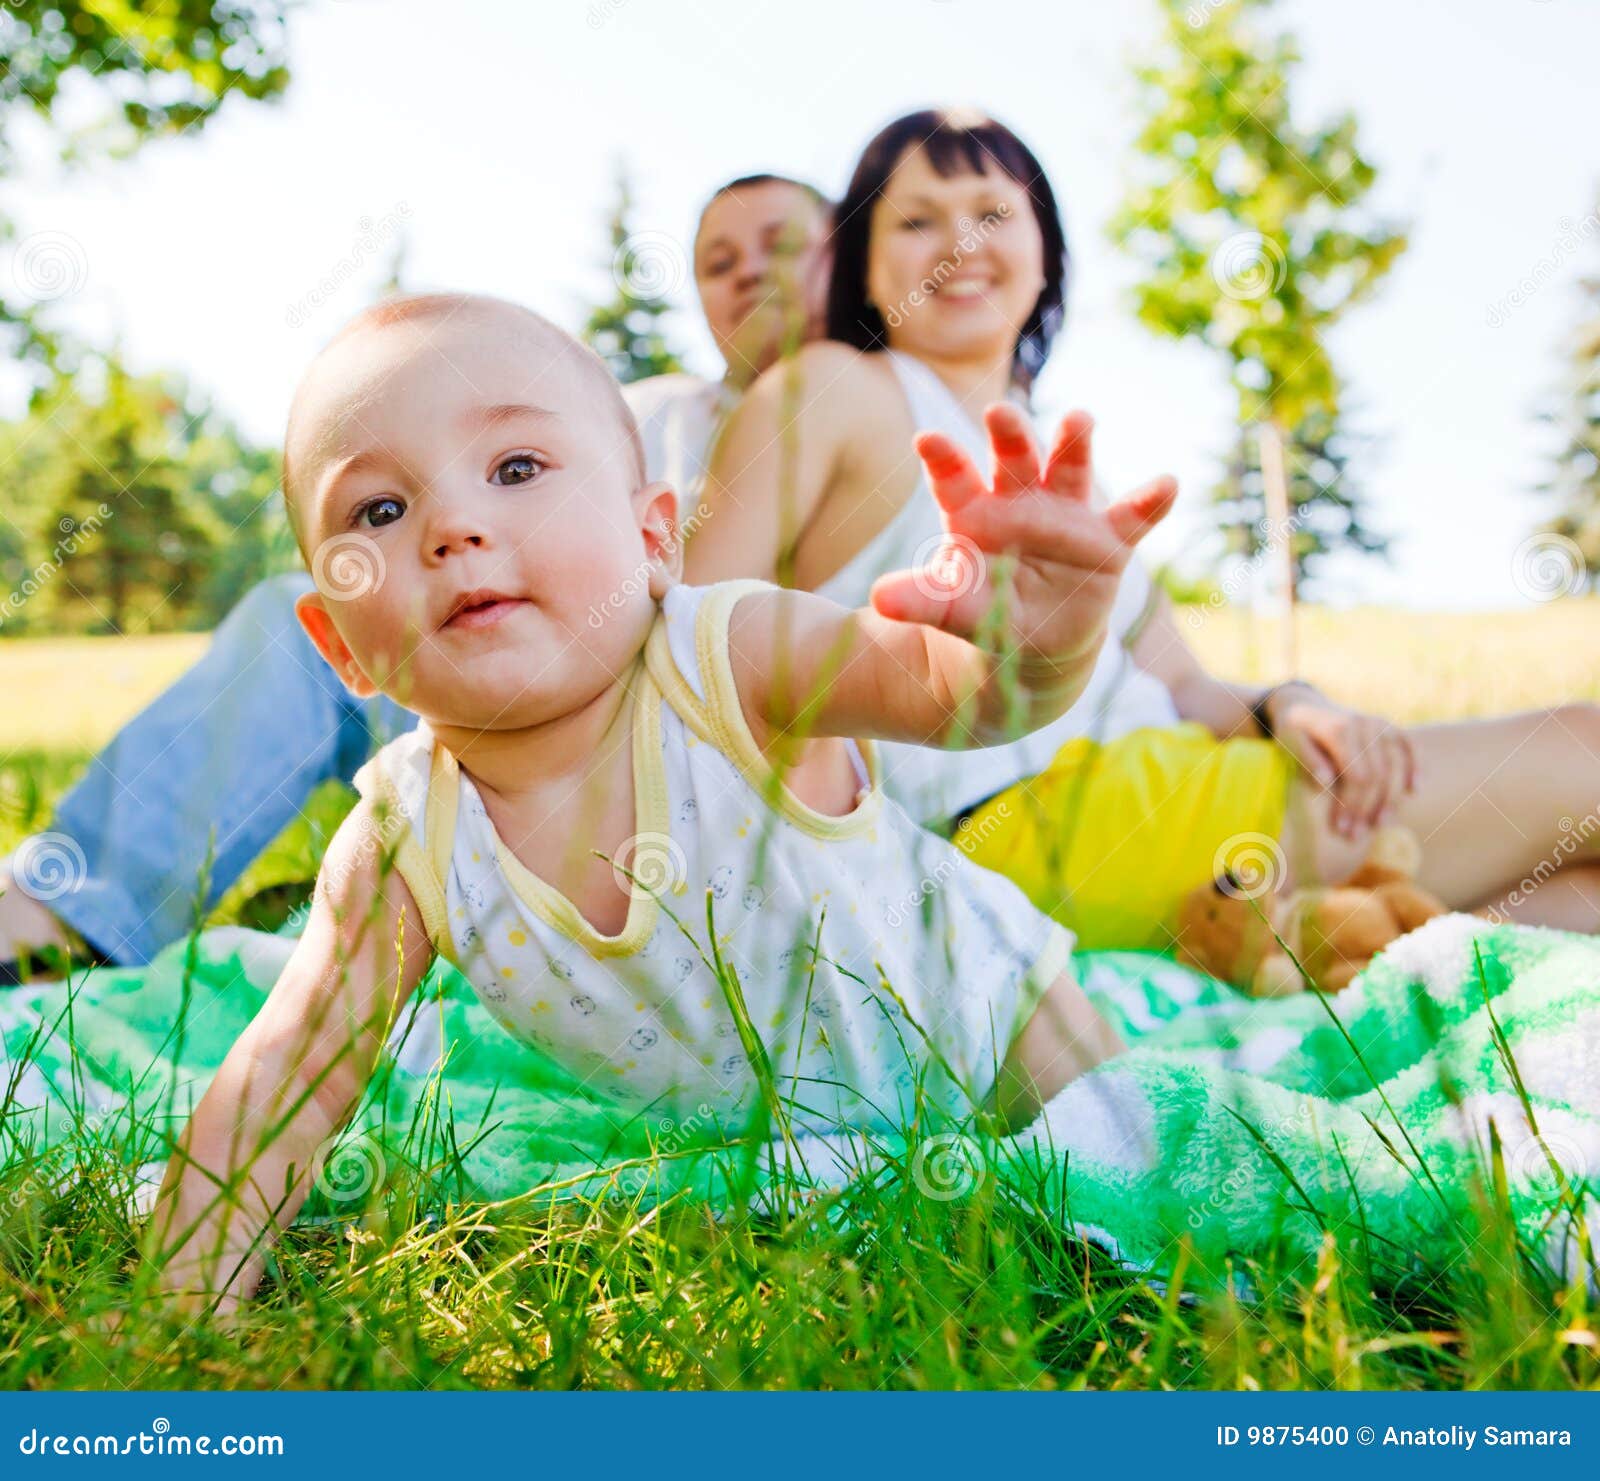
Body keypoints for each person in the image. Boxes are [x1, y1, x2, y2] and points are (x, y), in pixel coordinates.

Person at [145, 291, 1175, 1312]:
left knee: (1142, 1184)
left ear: (654, 539)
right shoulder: (403, 840)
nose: (453, 526)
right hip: (775, 1139)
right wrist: (187, 1290)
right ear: (338, 645)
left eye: (515, 469)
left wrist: (1038, 639)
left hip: (993, 1029)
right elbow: (288, 1067)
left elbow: (956, 693)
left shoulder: (729, 656)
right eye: (380, 509)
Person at [687, 107, 1600, 946]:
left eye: (993, 214)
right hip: (1017, 825)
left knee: (1573, 890)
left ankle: (1332, 942)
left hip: (1161, 791)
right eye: (917, 220)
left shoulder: (1063, 462)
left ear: (1047, 253)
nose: (960, 242)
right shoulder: (836, 390)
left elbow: (1190, 687)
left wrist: (1293, 703)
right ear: (865, 266)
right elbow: (687, 642)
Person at [0, 173, 833, 977]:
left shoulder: (868, 399)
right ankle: (67, 920)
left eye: (782, 244)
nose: (749, 271)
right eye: (717, 262)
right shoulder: (651, 406)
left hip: (677, 744)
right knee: (295, 618)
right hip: (501, 672)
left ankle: (362, 921)